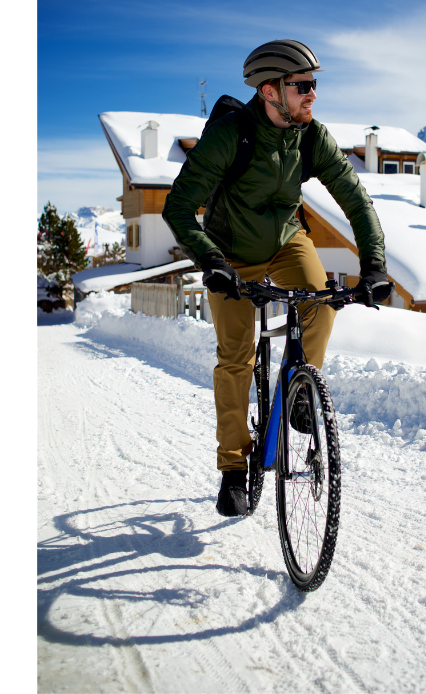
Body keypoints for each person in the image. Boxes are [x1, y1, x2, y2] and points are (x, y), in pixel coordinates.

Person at [161, 40, 392, 517]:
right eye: (302, 85)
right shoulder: (231, 135)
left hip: (287, 240)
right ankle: (232, 467)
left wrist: (374, 264)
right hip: (230, 252)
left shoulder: (311, 136)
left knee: (321, 302)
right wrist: (211, 261)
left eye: (314, 84)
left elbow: (356, 201)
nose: (312, 94)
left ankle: (299, 391)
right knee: (236, 357)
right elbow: (178, 207)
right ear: (270, 91)